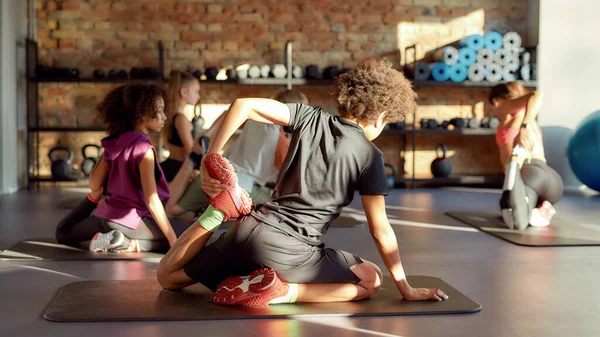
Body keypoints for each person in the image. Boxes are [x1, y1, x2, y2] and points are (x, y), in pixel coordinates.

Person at [157, 58, 449, 307]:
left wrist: (213, 156)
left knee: (169, 278)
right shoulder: (370, 156)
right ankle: (283, 292)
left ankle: (216, 214)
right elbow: (380, 230)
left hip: (248, 232)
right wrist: (404, 287)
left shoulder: (309, 117)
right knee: (371, 279)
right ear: (382, 116)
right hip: (291, 251)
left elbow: (242, 105)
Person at [55, 84, 189, 252]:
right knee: (185, 236)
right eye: (160, 110)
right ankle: (126, 243)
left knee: (63, 234)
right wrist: (172, 241)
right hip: (128, 221)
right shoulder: (144, 150)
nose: (164, 116)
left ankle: (111, 238)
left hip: (102, 217)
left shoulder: (113, 143)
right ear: (141, 113)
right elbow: (152, 200)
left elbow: (94, 186)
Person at [165, 89, 308, 224]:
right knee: (282, 204)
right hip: (239, 188)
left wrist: (206, 135)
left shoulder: (254, 119)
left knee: (172, 210)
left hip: (214, 175)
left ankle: (204, 212)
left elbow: (228, 113)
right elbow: (294, 180)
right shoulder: (281, 143)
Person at [489, 82, 564, 230]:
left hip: (531, 174)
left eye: (491, 105)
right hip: (552, 181)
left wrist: (523, 128)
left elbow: (537, 95)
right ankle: (540, 207)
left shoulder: (508, 109)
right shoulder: (521, 113)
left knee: (516, 220)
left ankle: (530, 211)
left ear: (496, 101)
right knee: (509, 202)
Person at [160, 70, 202, 182]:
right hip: (177, 170)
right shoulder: (180, 119)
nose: (198, 96)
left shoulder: (173, 116)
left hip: (172, 167)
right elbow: (190, 152)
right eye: (196, 92)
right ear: (184, 92)